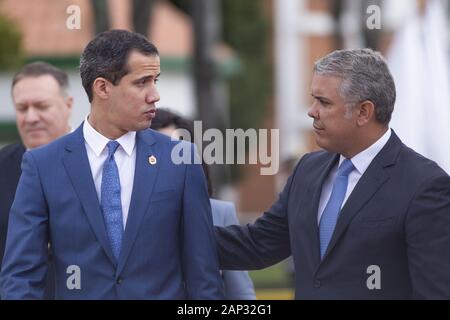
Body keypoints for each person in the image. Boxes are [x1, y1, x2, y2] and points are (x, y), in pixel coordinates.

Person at [0, 30, 223, 299]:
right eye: (142, 83)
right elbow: (21, 275)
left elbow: (204, 276)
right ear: (103, 87)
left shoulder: (182, 159)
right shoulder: (42, 165)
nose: (155, 95)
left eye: (156, 80)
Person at [215, 48, 450, 299]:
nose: (311, 111)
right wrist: (174, 229)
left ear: (363, 112)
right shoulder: (307, 170)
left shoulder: (424, 185)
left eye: (323, 102)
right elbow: (256, 245)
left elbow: (434, 292)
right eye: (313, 99)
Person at [151, 108, 256, 300]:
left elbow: (241, 293)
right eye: (157, 150)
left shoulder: (219, 213)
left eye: (176, 151)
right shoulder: (125, 214)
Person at [0, 62, 73, 299]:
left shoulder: (100, 162)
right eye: (22, 108)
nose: (31, 117)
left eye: (41, 106)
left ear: (68, 105)